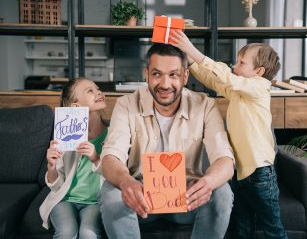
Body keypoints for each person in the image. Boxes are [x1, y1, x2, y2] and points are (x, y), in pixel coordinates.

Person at [99, 43, 235, 239]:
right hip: (141, 199)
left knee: (222, 192)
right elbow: (110, 156)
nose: (164, 84)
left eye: (173, 75)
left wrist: (208, 182)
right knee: (110, 191)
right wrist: (126, 181)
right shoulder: (126, 104)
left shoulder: (205, 105)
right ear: (146, 74)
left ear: (185, 76)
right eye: (156, 74)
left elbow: (225, 159)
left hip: (187, 198)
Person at [171, 31, 287, 239]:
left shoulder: (260, 87)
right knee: (242, 227)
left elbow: (225, 76)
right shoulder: (240, 90)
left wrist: (192, 50)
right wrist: (190, 62)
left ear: (259, 71)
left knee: (273, 229)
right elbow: (215, 80)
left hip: (261, 172)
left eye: (241, 63)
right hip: (241, 172)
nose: (235, 67)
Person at [39, 77, 107, 239]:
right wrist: (51, 166)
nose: (98, 92)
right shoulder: (65, 136)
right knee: (66, 232)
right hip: (64, 199)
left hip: (95, 202)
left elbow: (118, 176)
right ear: (75, 106)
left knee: (88, 234)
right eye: (90, 91)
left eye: (97, 88)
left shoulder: (113, 134)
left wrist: (96, 158)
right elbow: (56, 186)